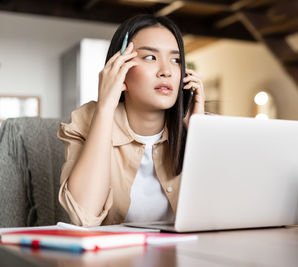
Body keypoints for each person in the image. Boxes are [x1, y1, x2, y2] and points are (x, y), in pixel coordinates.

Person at [57, 14, 205, 227]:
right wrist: (105, 107)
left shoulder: (197, 124)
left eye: (176, 60)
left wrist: (198, 136)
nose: (166, 72)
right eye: (150, 57)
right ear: (120, 66)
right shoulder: (84, 121)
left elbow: (220, 216)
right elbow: (85, 216)